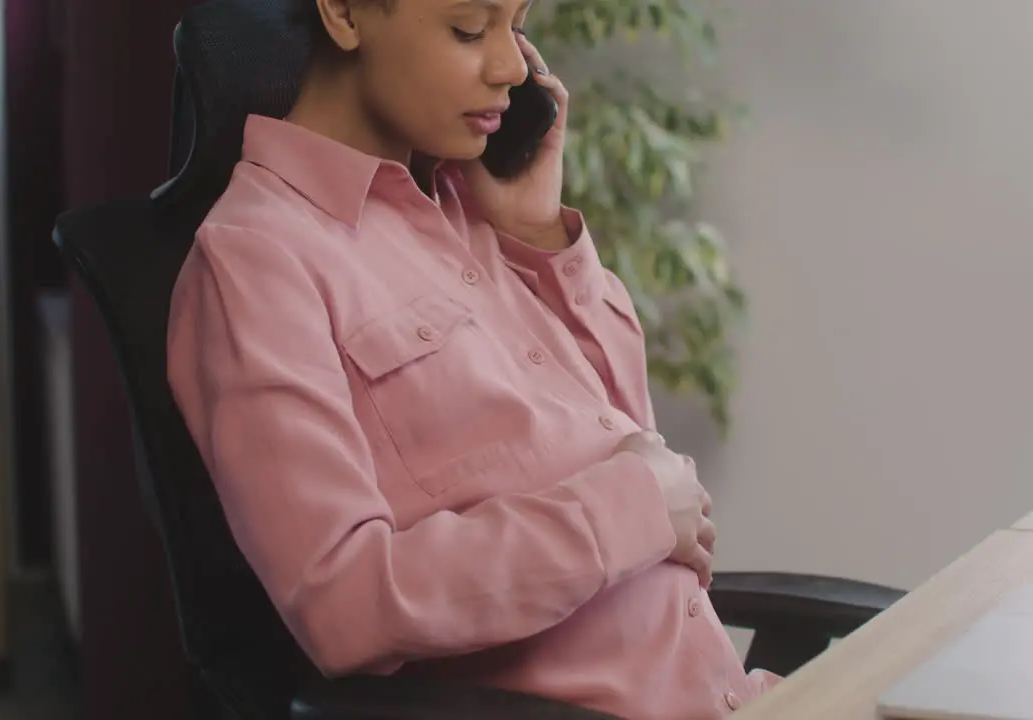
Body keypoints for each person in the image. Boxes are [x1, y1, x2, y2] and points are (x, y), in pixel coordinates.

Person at [165, 0, 780, 717]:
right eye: (468, 29)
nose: (514, 66)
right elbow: (344, 604)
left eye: (515, 26)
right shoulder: (256, 261)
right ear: (343, 13)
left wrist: (538, 236)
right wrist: (633, 507)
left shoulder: (466, 205)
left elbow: (634, 436)